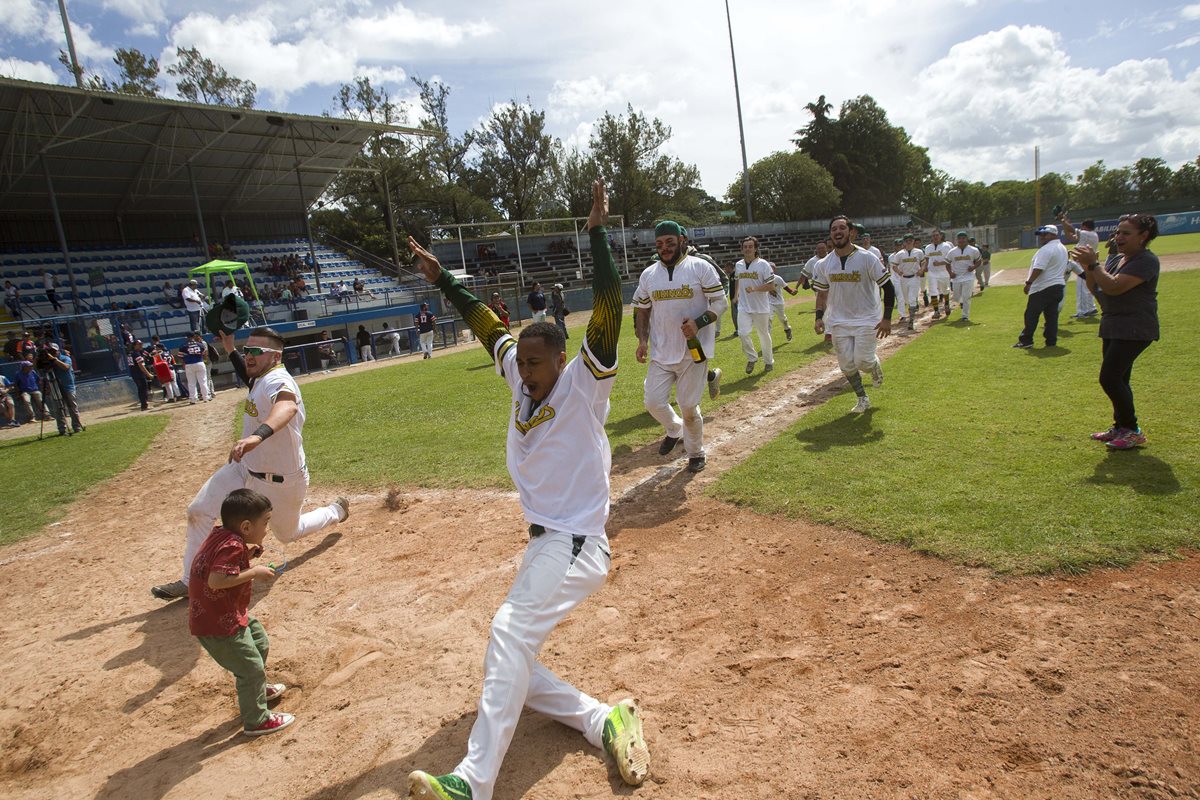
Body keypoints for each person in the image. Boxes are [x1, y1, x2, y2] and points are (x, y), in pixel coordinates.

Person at [403, 179, 650, 800]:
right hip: (546, 544)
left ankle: (473, 783)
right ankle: (603, 718)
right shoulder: (519, 371)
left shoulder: (584, 380)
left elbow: (610, 303)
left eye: (538, 364)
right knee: (511, 656)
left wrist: (595, 232)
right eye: (524, 363)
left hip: (575, 543)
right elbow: (488, 327)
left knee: (508, 635)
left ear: (561, 358)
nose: (527, 371)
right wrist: (443, 281)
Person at [150, 326, 349, 601]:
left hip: (281, 479)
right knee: (198, 510)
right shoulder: (261, 376)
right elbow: (250, 377)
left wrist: (258, 436)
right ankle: (189, 581)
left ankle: (335, 511)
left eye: (256, 352)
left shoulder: (281, 381)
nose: (249, 356)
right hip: (244, 468)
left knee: (288, 534)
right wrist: (231, 349)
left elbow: (287, 407)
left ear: (276, 357)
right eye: (247, 351)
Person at [189, 488, 294, 736]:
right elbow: (216, 580)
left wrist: (246, 555)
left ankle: (256, 689)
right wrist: (255, 571)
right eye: (265, 523)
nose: (267, 529)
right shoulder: (232, 546)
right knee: (250, 668)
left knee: (259, 640)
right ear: (246, 527)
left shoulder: (223, 536)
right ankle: (256, 720)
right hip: (218, 624)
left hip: (228, 613)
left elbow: (218, 563)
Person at [632, 220, 728, 473]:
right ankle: (674, 430)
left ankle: (696, 452)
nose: (665, 248)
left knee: (688, 406)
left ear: (682, 240)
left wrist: (699, 322)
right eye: (660, 244)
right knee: (653, 402)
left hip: (693, 351)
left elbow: (720, 302)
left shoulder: (700, 268)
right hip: (661, 351)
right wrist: (642, 340)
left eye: (670, 243)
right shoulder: (649, 274)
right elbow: (642, 310)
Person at [1074, 213, 1160, 450]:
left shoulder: (1146, 261)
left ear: (1143, 236)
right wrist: (1088, 268)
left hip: (1135, 327)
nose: (1118, 237)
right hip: (1113, 325)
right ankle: (1121, 426)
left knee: (1109, 377)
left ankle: (1132, 430)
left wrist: (1093, 265)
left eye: (1126, 233)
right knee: (1120, 378)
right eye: (1118, 232)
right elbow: (1096, 288)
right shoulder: (1116, 260)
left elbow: (1113, 287)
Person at [811, 215, 894, 413]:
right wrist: (818, 317)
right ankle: (862, 399)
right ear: (830, 235)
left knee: (863, 362)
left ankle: (873, 366)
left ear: (851, 232)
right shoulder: (823, 264)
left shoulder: (868, 258)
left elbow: (889, 288)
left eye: (842, 228)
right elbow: (822, 294)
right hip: (838, 321)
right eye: (833, 229)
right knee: (847, 365)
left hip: (867, 319)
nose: (837, 232)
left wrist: (887, 318)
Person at [1013, 224, 1068, 349]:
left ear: (1053, 234)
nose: (1041, 237)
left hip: (1042, 287)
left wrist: (1028, 283)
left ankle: (1026, 340)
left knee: (1031, 315)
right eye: (1041, 235)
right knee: (1052, 316)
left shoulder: (1046, 249)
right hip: (1058, 286)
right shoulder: (1062, 248)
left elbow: (1039, 268)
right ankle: (1051, 340)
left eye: (1044, 234)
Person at [733, 236, 775, 374]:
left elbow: (771, 286)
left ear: (756, 248)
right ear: (742, 249)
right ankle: (752, 358)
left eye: (750, 246)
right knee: (742, 333)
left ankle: (769, 362)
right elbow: (738, 280)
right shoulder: (738, 264)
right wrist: (735, 295)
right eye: (745, 246)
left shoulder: (763, 265)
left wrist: (755, 289)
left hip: (760, 307)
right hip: (744, 306)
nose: (747, 249)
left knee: (763, 334)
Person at [1062, 216, 1100, 319]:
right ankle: (1091, 308)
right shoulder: (1091, 235)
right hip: (1087, 263)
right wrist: (1064, 224)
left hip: (1084, 264)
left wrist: (1064, 220)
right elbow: (1070, 236)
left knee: (1082, 287)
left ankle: (1082, 312)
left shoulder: (1087, 234)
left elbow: (1072, 230)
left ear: (1084, 226)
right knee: (1088, 287)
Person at [44, 342, 84, 434]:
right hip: (55, 387)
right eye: (50, 351)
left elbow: (66, 367)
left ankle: (76, 427)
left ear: (58, 350)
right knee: (58, 409)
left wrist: (54, 360)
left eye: (54, 351)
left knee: (72, 407)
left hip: (68, 386)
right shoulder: (48, 361)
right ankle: (62, 429)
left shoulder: (65, 358)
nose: (52, 352)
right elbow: (38, 367)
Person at [946, 231, 981, 322]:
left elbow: (978, 261)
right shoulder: (952, 251)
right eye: (959, 238)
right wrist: (950, 273)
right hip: (956, 277)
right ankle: (961, 302)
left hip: (968, 276)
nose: (961, 240)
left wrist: (973, 267)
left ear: (967, 239)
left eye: (963, 238)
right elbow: (947, 263)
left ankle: (965, 315)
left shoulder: (973, 250)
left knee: (967, 296)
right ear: (956, 240)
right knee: (956, 297)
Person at [891, 234, 924, 331]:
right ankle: (912, 310)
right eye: (907, 240)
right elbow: (894, 266)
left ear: (913, 241)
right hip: (903, 278)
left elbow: (923, 262)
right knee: (906, 300)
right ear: (904, 242)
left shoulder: (918, 252)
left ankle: (911, 321)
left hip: (914, 277)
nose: (909, 242)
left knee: (912, 298)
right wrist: (898, 271)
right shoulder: (900, 254)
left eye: (910, 240)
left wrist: (921, 269)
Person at [924, 230, 952, 319]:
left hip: (944, 271)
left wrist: (940, 263)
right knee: (933, 291)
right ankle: (936, 311)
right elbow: (927, 259)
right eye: (933, 236)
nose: (935, 237)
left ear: (940, 236)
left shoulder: (946, 246)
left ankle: (947, 304)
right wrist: (925, 267)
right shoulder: (928, 247)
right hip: (932, 272)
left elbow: (950, 260)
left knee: (945, 290)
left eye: (937, 235)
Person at [180, 331, 211, 404]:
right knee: (203, 381)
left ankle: (193, 399)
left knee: (191, 383)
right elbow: (205, 353)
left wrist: (183, 364)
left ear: (187, 337)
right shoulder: (200, 345)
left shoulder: (183, 346)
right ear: (193, 337)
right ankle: (206, 397)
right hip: (200, 362)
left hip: (189, 364)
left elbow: (181, 357)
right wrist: (205, 361)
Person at [768, 264, 795, 341]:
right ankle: (767, 338)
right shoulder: (763, 278)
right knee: (768, 318)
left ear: (774, 270)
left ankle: (787, 329)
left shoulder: (778, 278)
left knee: (782, 318)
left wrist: (792, 292)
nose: (770, 270)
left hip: (779, 302)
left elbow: (787, 288)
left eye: (772, 268)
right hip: (769, 302)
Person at [127, 340, 154, 411]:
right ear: (135, 345)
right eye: (139, 344)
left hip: (134, 374)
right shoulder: (136, 354)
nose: (141, 345)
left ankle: (144, 405)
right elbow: (141, 365)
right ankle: (144, 406)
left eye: (141, 344)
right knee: (143, 389)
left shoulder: (130, 353)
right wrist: (148, 374)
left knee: (140, 390)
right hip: (139, 374)